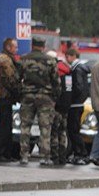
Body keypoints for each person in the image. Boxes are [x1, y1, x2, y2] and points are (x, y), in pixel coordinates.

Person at [19, 36, 60, 167]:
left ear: (32, 45)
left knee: (25, 126)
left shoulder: (23, 59)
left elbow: (16, 78)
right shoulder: (50, 61)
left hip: (27, 96)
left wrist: (21, 93)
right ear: (43, 46)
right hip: (45, 97)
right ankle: (44, 156)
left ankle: (24, 155)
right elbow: (56, 81)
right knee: (45, 128)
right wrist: (55, 96)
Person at [0, 37, 20, 163]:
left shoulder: (7, 59)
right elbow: (9, 80)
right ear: (8, 47)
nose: (17, 49)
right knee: (4, 126)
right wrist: (18, 91)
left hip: (5, 96)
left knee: (7, 125)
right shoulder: (4, 60)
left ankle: (7, 153)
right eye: (15, 47)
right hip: (4, 96)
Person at [64, 48, 90, 165]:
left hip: (75, 104)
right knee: (74, 130)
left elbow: (78, 87)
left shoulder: (76, 69)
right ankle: (79, 153)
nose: (66, 59)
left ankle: (81, 153)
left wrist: (70, 97)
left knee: (73, 130)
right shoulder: (82, 68)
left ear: (72, 56)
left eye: (67, 57)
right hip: (79, 103)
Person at [50, 51, 71, 166]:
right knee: (62, 132)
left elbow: (55, 90)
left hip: (56, 106)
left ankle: (55, 156)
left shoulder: (56, 72)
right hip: (66, 107)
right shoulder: (68, 72)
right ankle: (63, 156)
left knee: (54, 132)